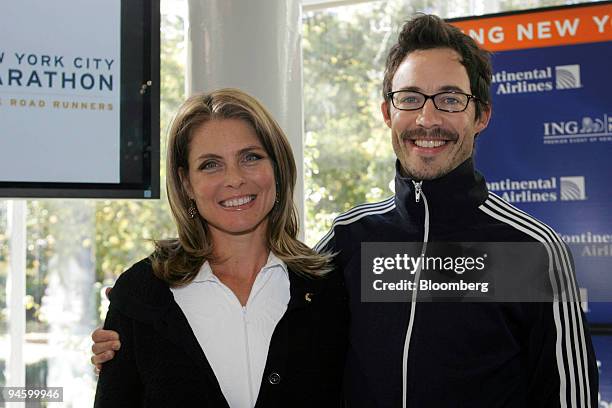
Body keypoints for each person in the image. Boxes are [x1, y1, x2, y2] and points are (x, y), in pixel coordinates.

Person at [93, 14, 599, 408]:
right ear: (387, 112)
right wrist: (131, 331)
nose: (427, 118)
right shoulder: (350, 243)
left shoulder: (531, 251)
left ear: (480, 114)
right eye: (410, 98)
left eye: (449, 99)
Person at [92, 88, 348, 408]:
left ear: (277, 168)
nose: (235, 179)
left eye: (250, 157)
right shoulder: (141, 294)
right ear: (186, 183)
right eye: (211, 165)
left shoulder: (330, 288)